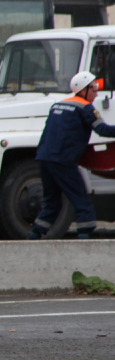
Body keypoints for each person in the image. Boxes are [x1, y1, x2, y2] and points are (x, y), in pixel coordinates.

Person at [29, 70, 115, 240]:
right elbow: (102, 130)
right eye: (94, 89)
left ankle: (34, 234)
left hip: (44, 159)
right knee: (81, 199)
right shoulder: (85, 107)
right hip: (62, 161)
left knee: (52, 203)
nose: (96, 93)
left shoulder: (58, 105)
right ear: (83, 90)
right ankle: (84, 240)